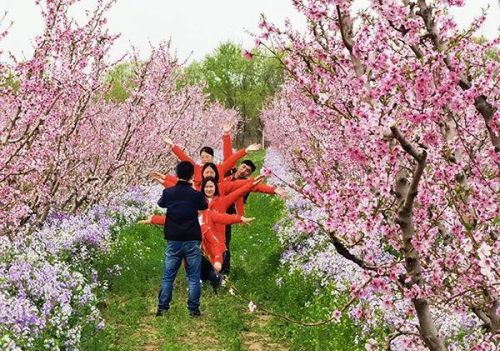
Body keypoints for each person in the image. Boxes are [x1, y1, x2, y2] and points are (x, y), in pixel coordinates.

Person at [155, 161, 207, 317]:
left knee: (168, 276)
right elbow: (204, 205)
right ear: (192, 175)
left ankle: (162, 308)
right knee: (193, 276)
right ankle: (193, 309)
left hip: (174, 239)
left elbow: (161, 204)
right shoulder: (195, 194)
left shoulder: (169, 192)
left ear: (176, 173)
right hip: (192, 238)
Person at [161, 136, 261, 186]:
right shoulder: (196, 168)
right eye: (202, 157)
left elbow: (231, 159)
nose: (205, 159)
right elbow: (184, 158)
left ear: (212, 157)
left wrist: (246, 150)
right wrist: (173, 146)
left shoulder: (220, 168)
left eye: (207, 157)